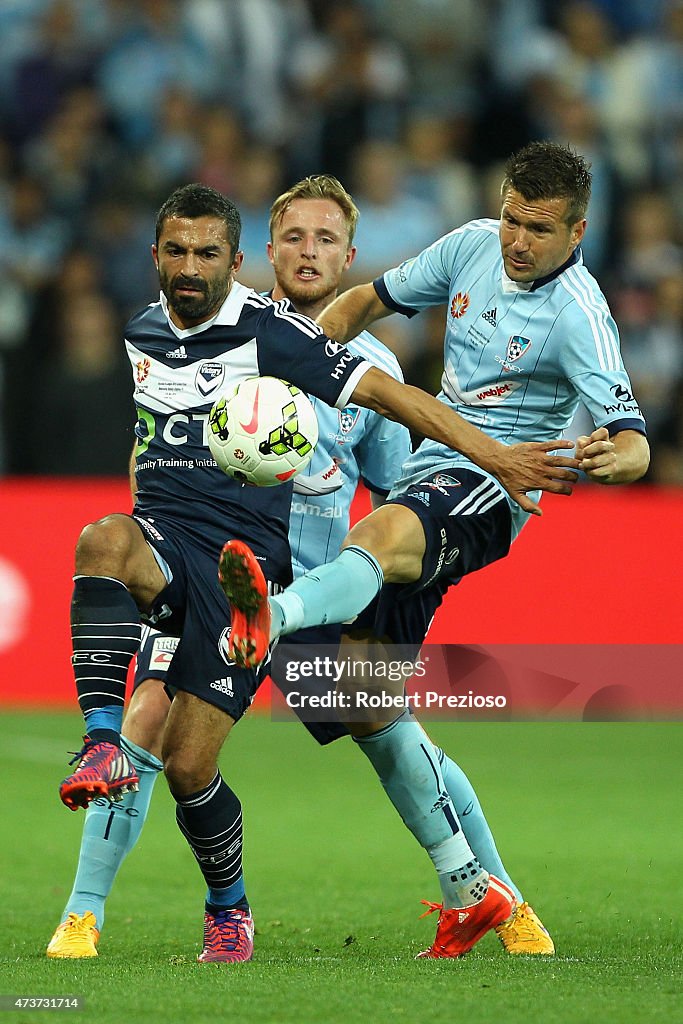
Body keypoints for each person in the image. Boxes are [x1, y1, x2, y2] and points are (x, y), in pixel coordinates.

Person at [55, 178, 577, 964]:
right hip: (214, 578)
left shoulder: (363, 364)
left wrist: (430, 547)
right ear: (264, 252)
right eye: (293, 236)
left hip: (309, 594)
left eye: (325, 239)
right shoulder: (202, 332)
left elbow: (403, 484)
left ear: (348, 257)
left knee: (387, 729)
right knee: (146, 724)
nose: (308, 251)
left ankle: (499, 897)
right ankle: (81, 915)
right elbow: (151, 447)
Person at [219, 142, 650, 958]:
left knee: (376, 534)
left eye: (539, 230)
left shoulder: (579, 317)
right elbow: (360, 303)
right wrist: (299, 352)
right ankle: (495, 902)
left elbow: (634, 443)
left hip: (497, 486)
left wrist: (610, 459)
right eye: (513, 219)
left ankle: (266, 617)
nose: (517, 242)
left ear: (578, 231)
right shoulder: (468, 245)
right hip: (431, 471)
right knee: (371, 708)